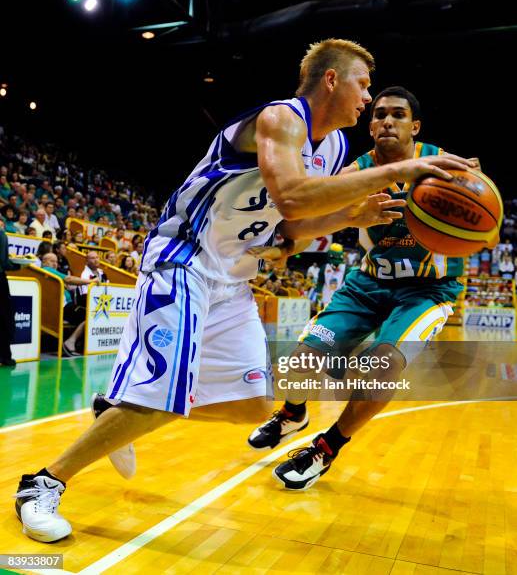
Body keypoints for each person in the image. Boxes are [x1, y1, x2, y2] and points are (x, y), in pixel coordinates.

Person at [14, 41, 475, 542]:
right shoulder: (281, 119)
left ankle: (122, 408)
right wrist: (397, 172)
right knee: (165, 396)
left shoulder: (336, 149)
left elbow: (295, 226)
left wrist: (350, 215)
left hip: (233, 278)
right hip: (184, 258)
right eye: (364, 85)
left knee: (255, 404)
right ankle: (43, 483)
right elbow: (292, 197)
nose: (368, 99)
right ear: (331, 80)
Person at [248, 86, 485, 490]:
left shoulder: (444, 167)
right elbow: (317, 210)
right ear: (371, 125)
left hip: (426, 291)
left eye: (397, 114)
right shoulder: (356, 172)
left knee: (381, 367)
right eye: (379, 115)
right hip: (368, 283)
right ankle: (293, 413)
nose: (387, 121)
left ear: (416, 126)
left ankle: (325, 447)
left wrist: (475, 190)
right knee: (299, 362)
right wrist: (292, 242)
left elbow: (480, 213)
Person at [39, 253, 99, 357]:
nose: (55, 264)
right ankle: (69, 343)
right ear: (44, 262)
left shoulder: (49, 274)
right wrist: (91, 281)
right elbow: (69, 279)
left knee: (87, 314)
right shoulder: (48, 270)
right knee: (90, 315)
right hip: (64, 307)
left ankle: (77, 344)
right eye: (51, 261)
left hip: (62, 307)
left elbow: (68, 283)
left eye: (56, 262)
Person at [0, 227, 19, 366]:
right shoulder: (1, 234)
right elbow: (4, 262)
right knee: (4, 318)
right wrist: (18, 266)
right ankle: (5, 356)